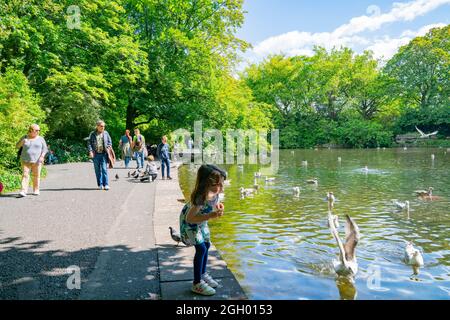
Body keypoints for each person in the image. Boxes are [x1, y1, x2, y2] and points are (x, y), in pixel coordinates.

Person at [179, 164, 226, 296]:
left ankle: (203, 273)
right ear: (206, 184)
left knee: (207, 244)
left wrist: (218, 207)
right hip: (191, 224)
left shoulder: (214, 193)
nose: (221, 188)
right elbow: (189, 218)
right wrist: (211, 215)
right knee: (201, 249)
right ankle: (197, 283)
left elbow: (214, 204)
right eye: (218, 185)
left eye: (222, 184)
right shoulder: (200, 198)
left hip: (202, 222)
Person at [16, 124, 48, 197]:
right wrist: (22, 142)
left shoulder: (41, 139)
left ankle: (36, 189)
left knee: (36, 175)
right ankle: (23, 191)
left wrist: (42, 156)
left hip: (37, 161)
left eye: (39, 130)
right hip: (25, 160)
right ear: (31, 130)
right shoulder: (24, 137)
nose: (38, 132)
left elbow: (45, 149)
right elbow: (17, 146)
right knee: (25, 175)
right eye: (36, 130)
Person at [87, 120, 113, 190]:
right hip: (95, 155)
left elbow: (110, 142)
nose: (103, 127)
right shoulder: (92, 134)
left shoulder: (106, 133)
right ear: (97, 126)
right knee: (97, 170)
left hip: (104, 154)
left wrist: (108, 147)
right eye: (101, 126)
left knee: (104, 169)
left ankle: (106, 184)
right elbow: (89, 143)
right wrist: (90, 151)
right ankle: (100, 184)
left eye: (104, 126)